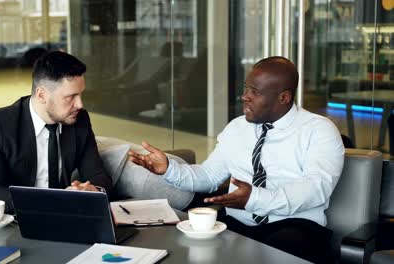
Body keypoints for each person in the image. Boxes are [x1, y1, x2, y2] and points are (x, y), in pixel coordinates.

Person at [128, 56, 344, 263]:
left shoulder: (319, 130)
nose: (245, 96)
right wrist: (168, 169)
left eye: (255, 92)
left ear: (284, 98)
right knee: (182, 250)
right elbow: (209, 176)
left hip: (295, 227)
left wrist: (254, 198)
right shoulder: (237, 127)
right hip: (238, 223)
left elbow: (316, 188)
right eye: (245, 88)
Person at [0, 51, 112, 221]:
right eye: (71, 97)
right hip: (0, 223)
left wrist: (93, 190)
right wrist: (54, 201)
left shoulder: (79, 120)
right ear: (41, 95)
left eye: (81, 94)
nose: (80, 104)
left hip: (56, 222)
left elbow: (98, 175)